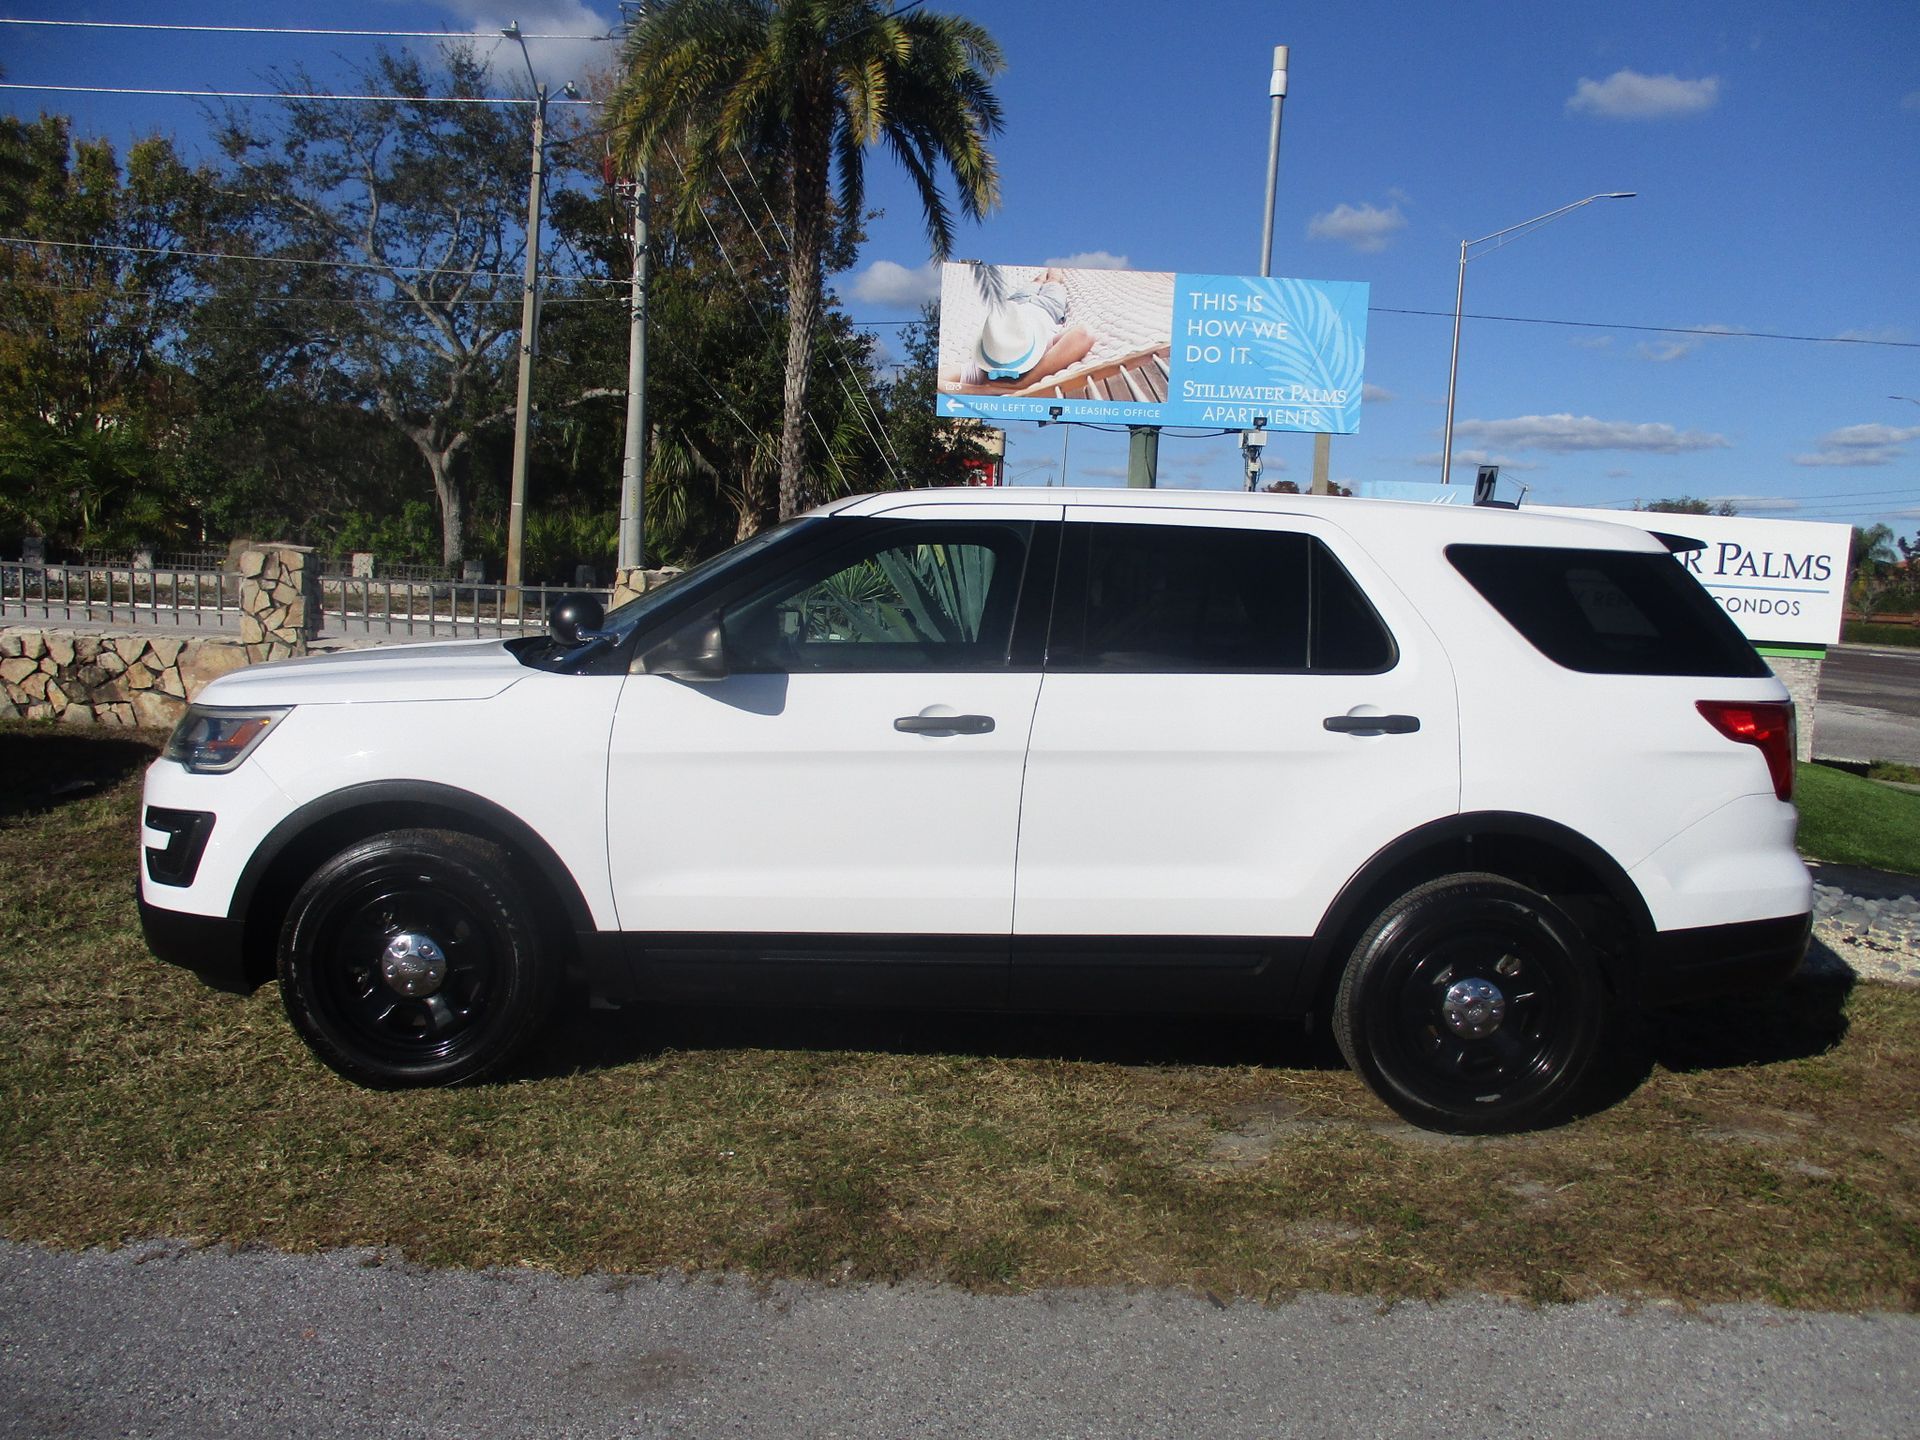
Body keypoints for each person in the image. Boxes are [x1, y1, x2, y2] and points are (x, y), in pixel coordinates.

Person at [956, 268, 1093, 391]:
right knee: (1054, 279)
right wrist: (1022, 384)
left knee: (1037, 280)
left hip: (1015, 304)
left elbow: (942, 382)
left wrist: (985, 389)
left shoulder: (984, 365)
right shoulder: (1045, 351)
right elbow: (1084, 333)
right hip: (1048, 306)